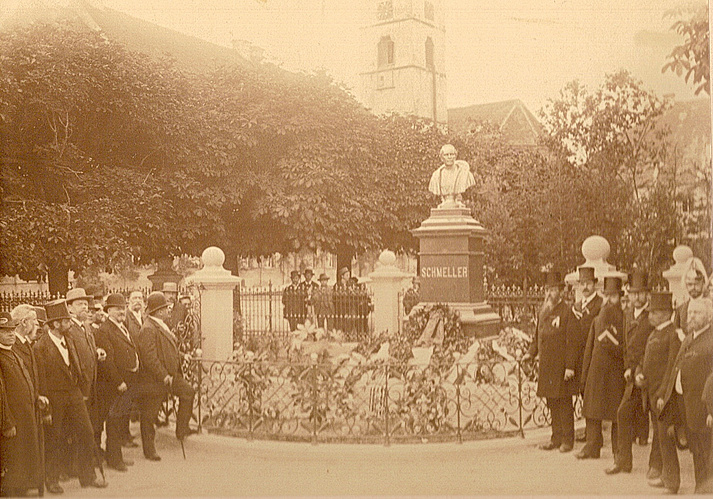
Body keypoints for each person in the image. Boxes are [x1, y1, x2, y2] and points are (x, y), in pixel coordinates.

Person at [34, 299, 108, 493]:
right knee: (54, 438)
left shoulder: (69, 339)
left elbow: (76, 364)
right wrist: (46, 409)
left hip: (74, 394)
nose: (69, 323)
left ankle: (87, 476)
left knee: (87, 432)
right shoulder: (41, 347)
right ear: (56, 324)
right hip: (55, 398)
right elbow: (40, 381)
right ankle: (52, 479)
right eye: (66, 321)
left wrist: (82, 389)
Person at [606, 269, 660, 477]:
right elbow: (627, 346)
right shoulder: (627, 314)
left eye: (641, 293)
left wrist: (639, 369)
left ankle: (656, 465)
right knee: (623, 413)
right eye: (633, 293)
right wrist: (628, 368)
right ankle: (623, 461)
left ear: (647, 294)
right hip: (632, 377)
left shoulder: (654, 314)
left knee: (657, 420)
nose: (636, 297)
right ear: (628, 293)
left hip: (650, 377)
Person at [660, 298, 712, 493]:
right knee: (694, 447)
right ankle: (692, 485)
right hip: (683, 401)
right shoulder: (690, 337)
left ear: (709, 315)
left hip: (701, 404)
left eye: (697, 313)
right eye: (690, 312)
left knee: (704, 448)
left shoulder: (710, 339)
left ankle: (704, 489)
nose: (691, 316)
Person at [136, 292, 196, 462]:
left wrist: (182, 355)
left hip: (171, 375)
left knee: (188, 392)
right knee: (149, 414)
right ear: (158, 311)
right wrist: (163, 375)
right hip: (155, 379)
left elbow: (168, 347)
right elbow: (149, 357)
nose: (169, 310)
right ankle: (149, 450)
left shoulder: (161, 324)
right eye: (165, 308)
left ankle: (181, 430)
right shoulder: (148, 328)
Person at [522, 271, 577, 452]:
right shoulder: (543, 310)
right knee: (552, 402)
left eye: (554, 289)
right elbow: (537, 335)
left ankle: (568, 440)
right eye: (548, 289)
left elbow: (571, 342)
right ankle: (556, 438)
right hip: (546, 365)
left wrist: (569, 367)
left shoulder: (567, 311)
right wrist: (530, 353)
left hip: (561, 366)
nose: (550, 293)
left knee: (563, 403)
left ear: (561, 291)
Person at [640, 291, 683, 493]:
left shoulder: (672, 335)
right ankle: (666, 476)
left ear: (666, 314)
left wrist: (663, 396)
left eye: (655, 312)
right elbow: (645, 361)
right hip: (651, 394)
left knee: (666, 439)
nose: (650, 315)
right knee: (659, 436)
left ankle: (672, 482)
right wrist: (639, 373)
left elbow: (671, 368)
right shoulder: (654, 333)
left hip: (662, 397)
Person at [577, 276, 625, 460]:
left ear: (620, 297)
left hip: (616, 370)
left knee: (616, 414)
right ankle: (592, 447)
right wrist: (585, 374)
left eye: (613, 296)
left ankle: (618, 451)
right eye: (607, 296)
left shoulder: (624, 317)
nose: (610, 300)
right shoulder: (598, 319)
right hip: (596, 370)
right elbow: (589, 347)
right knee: (592, 410)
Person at [0, 311, 44, 497]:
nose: (10, 333)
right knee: (13, 456)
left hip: (25, 414)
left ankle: (22, 486)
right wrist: (7, 422)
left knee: (24, 453)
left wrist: (36, 397)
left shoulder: (12, 353)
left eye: (12, 329)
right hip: (12, 418)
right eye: (4, 330)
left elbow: (26, 380)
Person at [95, 293, 140, 472]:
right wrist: (118, 381)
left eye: (123, 308)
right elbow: (108, 361)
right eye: (117, 308)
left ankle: (117, 455)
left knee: (121, 420)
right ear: (108, 310)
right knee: (114, 422)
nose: (121, 311)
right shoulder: (104, 330)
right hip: (116, 384)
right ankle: (114, 459)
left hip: (127, 380)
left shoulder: (122, 326)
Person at [674, 259, 708, 332]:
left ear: (703, 284)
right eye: (690, 284)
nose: (693, 287)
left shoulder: (710, 305)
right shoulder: (681, 309)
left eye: (697, 284)